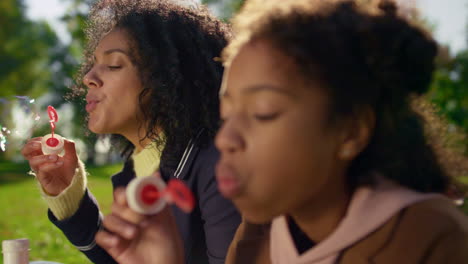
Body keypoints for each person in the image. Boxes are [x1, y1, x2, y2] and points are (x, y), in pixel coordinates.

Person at [93, 0, 468, 263]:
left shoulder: (427, 237)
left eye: (263, 112)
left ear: (350, 131)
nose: (225, 138)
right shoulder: (259, 233)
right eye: (228, 113)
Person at [21, 0, 240, 263]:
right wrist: (70, 196)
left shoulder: (219, 167)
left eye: (113, 65)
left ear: (167, 79)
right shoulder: (136, 172)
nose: (88, 77)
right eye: (92, 63)